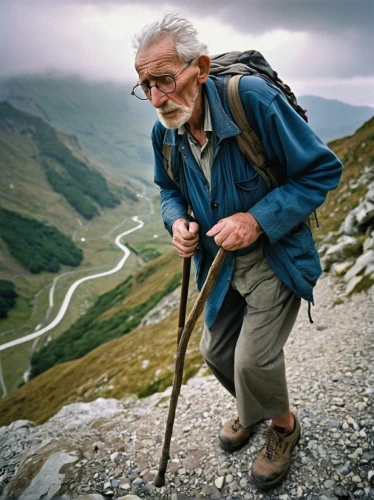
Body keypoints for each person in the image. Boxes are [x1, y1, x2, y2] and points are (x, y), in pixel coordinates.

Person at [132, 15, 342, 490]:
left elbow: (322, 171)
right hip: (217, 265)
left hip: (276, 254)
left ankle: (283, 427)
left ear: (201, 68)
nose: (157, 98)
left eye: (165, 79)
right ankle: (255, 410)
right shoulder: (165, 132)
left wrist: (256, 220)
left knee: (253, 361)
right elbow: (169, 189)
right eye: (145, 85)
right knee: (214, 350)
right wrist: (176, 221)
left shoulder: (252, 101)